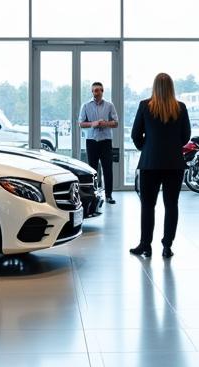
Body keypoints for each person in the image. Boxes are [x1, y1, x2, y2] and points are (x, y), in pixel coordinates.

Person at [130, 73, 191, 258]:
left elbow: (135, 134)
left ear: (154, 86)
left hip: (150, 163)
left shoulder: (144, 106)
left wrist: (147, 148)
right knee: (171, 205)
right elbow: (186, 136)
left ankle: (145, 245)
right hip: (174, 163)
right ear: (172, 87)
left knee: (148, 205)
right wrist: (172, 147)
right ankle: (167, 246)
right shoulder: (180, 107)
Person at [79, 81, 119, 205]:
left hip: (105, 141)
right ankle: (93, 195)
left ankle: (108, 195)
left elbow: (116, 123)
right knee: (92, 169)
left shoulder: (109, 105)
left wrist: (104, 123)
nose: (95, 93)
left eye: (98, 90)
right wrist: (93, 124)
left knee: (108, 169)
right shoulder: (85, 106)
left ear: (102, 91)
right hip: (91, 141)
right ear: (91, 92)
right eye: (93, 90)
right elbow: (81, 123)